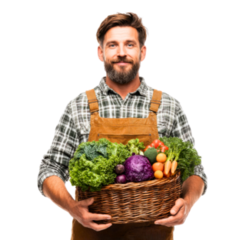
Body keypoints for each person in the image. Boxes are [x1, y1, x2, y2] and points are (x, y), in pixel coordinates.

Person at [36, 10, 208, 240]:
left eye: (129, 44)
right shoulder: (79, 106)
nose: (121, 53)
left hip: (154, 234)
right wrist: (72, 208)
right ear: (100, 53)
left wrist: (187, 202)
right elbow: (49, 169)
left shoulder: (169, 105)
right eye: (112, 45)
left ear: (142, 51)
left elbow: (196, 170)